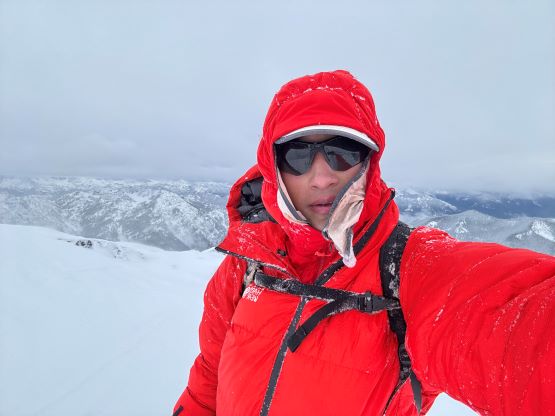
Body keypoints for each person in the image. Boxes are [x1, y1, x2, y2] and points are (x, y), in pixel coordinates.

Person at [173, 70, 555, 416]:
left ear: (368, 162)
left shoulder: (408, 271)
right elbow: (209, 377)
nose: (321, 178)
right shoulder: (249, 263)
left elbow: (519, 324)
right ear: (273, 166)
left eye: (342, 153)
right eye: (298, 155)